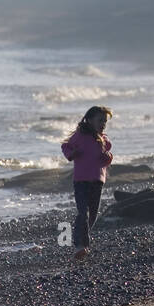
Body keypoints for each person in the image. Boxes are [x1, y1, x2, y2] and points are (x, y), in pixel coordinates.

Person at [60, 105, 114, 261]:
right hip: (81, 181)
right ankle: (80, 246)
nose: (103, 123)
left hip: (97, 182)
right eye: (100, 120)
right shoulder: (80, 136)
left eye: (105, 121)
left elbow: (107, 156)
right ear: (89, 120)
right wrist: (72, 154)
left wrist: (108, 157)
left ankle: (79, 236)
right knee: (83, 212)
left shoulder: (104, 140)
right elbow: (65, 146)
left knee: (92, 216)